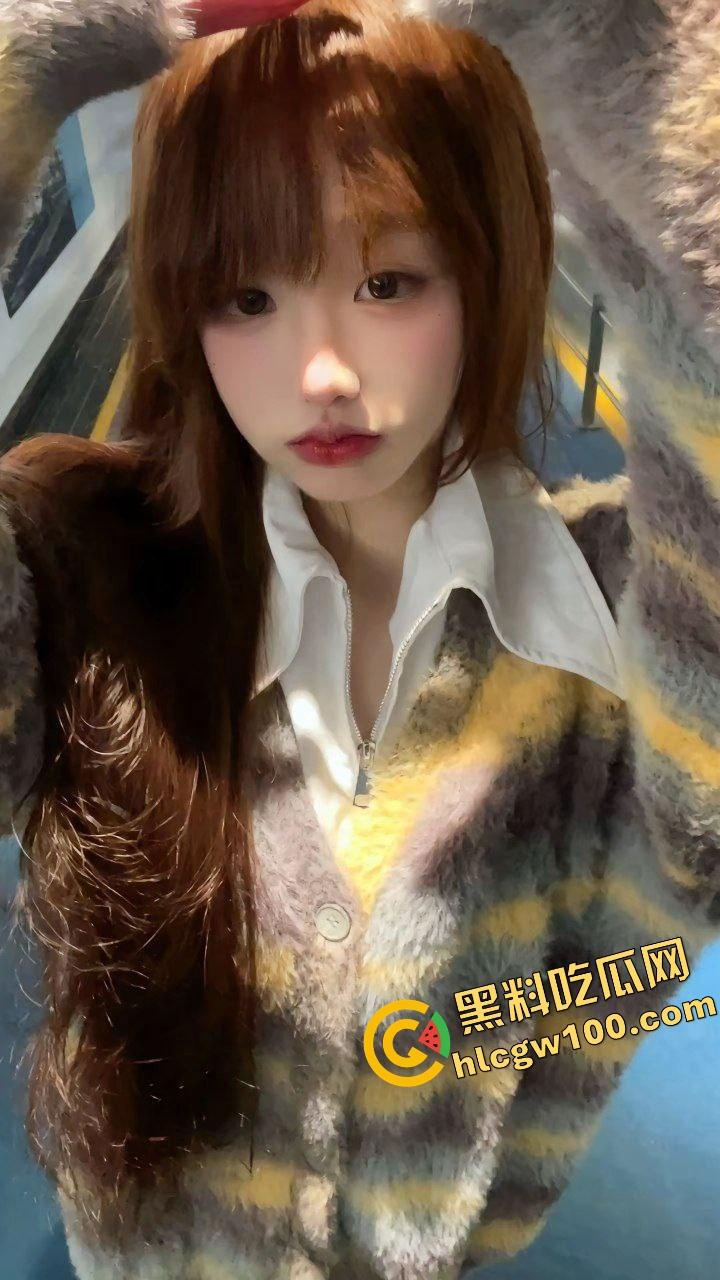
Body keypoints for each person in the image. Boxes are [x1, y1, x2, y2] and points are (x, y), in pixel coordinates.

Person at [0, 1, 718, 1278]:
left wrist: (607, 34)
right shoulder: (78, 576)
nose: (322, 370)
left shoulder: (623, 637)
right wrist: (30, 52)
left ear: (490, 266)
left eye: (388, 281)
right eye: (247, 294)